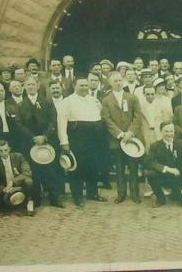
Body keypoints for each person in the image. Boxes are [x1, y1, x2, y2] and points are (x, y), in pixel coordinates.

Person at [101, 72, 148, 203]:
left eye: (120, 80)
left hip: (132, 139)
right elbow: (106, 119)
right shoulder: (106, 100)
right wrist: (120, 134)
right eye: (115, 81)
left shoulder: (131, 97)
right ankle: (121, 194)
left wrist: (130, 132)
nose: (119, 83)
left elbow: (137, 116)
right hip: (117, 140)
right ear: (110, 83)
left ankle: (135, 194)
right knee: (119, 167)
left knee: (133, 167)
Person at [60, 78, 106, 206]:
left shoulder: (94, 100)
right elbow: (62, 123)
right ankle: (77, 196)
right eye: (81, 85)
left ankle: (92, 193)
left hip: (94, 138)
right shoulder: (67, 101)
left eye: (86, 85)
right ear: (74, 86)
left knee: (93, 166)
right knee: (76, 168)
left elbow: (99, 116)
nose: (84, 87)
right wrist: (64, 141)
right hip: (77, 137)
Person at [144, 122, 182, 208]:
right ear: (161, 132)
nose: (169, 134)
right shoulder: (155, 146)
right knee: (150, 174)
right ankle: (160, 199)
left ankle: (175, 193)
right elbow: (147, 162)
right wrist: (166, 169)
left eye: (171, 131)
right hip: (164, 178)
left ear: (174, 132)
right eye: (166, 131)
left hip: (179, 180)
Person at [0, 139, 41, 214]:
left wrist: (13, 182)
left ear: (9, 149)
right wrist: (4, 189)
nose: (4, 153)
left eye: (5, 150)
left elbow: (27, 172)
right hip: (7, 188)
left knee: (28, 181)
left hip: (20, 185)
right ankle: (10, 203)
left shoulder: (18, 157)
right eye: (1, 151)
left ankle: (30, 202)